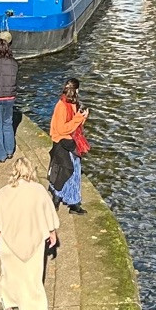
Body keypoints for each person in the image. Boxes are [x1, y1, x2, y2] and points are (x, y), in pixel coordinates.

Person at [0, 152, 59, 310]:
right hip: (34, 243)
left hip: (9, 245)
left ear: (14, 171)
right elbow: (49, 218)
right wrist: (52, 234)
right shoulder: (39, 191)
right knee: (30, 280)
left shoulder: (5, 192)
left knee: (9, 277)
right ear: (31, 171)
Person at [48, 78, 88, 214]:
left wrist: (82, 117)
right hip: (64, 142)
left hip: (68, 141)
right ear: (75, 90)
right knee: (72, 171)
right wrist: (79, 118)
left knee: (66, 171)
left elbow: (74, 126)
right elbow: (62, 129)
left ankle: (60, 198)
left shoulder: (71, 103)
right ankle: (72, 203)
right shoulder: (62, 106)